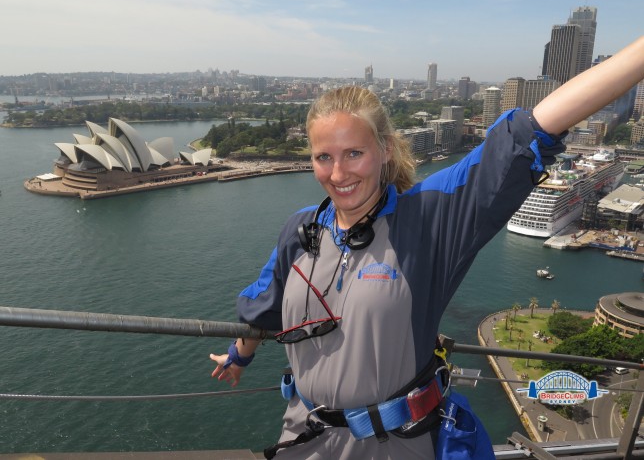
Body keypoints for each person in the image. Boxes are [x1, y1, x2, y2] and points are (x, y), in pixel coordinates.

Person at [210, 36, 644, 459]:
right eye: (324, 157)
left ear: (383, 150)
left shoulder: (428, 220)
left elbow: (531, 130)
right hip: (303, 437)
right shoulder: (300, 229)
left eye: (354, 153)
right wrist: (239, 356)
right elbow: (264, 307)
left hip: (394, 445)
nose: (338, 172)